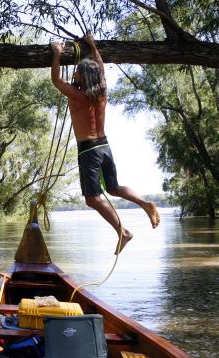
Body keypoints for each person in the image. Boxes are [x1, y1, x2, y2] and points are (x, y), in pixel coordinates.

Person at [51, 34, 160, 254]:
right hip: (104, 146)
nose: (74, 74)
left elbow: (56, 80)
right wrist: (92, 46)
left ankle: (123, 232)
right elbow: (99, 66)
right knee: (113, 188)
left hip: (89, 150)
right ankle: (144, 204)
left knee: (92, 198)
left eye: (77, 72)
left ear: (84, 77)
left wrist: (57, 54)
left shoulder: (77, 96)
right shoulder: (102, 91)